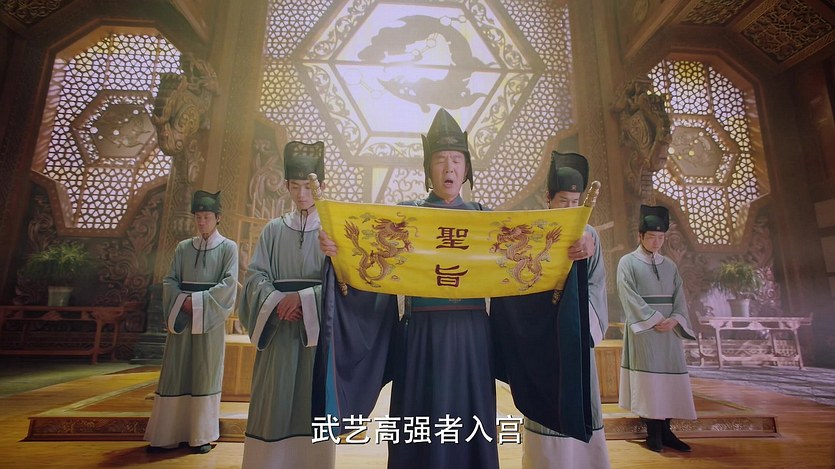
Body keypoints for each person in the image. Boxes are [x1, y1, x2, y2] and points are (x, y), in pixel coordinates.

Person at [315, 109, 593, 468]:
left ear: (466, 169)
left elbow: (526, 275)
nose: (449, 168)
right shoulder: (405, 217)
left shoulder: (486, 219)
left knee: (467, 426)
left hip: (472, 337)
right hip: (421, 335)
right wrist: (338, 250)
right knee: (420, 425)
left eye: (456, 160)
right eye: (440, 160)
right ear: (428, 169)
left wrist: (571, 253)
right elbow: (369, 264)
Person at [238, 141, 335, 469]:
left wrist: (304, 299)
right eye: (295, 186)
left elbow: (346, 284)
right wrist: (278, 300)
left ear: (321, 186)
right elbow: (255, 277)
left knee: (313, 401)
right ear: (286, 186)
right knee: (274, 400)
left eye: (308, 187)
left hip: (316, 339)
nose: (302, 194)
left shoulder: (334, 231)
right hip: (278, 329)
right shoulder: (273, 230)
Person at [516, 151, 611, 468]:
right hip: (543, 337)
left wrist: (581, 328)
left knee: (581, 403)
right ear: (548, 199)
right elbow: (518, 282)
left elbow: (597, 285)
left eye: (575, 202)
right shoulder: (533, 232)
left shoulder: (590, 235)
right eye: (563, 202)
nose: (570, 209)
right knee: (545, 407)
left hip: (576, 336)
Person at [144, 190, 239, 454]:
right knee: (176, 372)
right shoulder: (183, 247)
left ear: (218, 218)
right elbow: (170, 280)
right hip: (182, 316)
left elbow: (229, 283)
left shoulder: (228, 248)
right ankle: (166, 435)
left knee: (204, 371)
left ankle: (200, 436)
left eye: (206, 216)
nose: (201, 221)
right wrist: (182, 301)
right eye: (198, 217)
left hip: (209, 319)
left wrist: (198, 303)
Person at [617, 204, 696, 453]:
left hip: (669, 330)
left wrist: (675, 319)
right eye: (651, 237)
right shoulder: (627, 262)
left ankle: (667, 431)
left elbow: (679, 296)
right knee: (649, 380)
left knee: (670, 378)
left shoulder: (670, 265)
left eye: (661, 237)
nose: (656, 242)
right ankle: (653, 433)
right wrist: (653, 318)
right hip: (645, 330)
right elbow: (628, 295)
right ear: (640, 236)